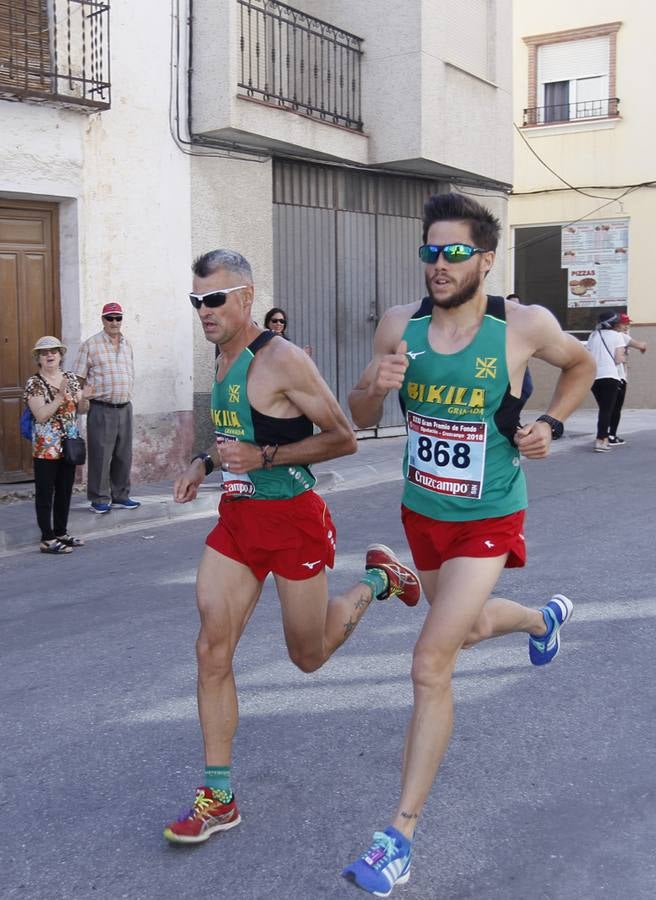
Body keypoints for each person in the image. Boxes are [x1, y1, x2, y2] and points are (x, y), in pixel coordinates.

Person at [341, 192, 595, 896]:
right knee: (468, 625)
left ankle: (399, 836)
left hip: (488, 510)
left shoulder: (522, 325)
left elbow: (582, 368)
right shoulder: (399, 325)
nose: (440, 265)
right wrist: (372, 382)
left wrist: (553, 424)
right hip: (422, 509)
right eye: (430, 252)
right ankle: (541, 619)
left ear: (485, 258)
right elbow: (360, 415)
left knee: (430, 662)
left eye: (455, 253)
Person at [164, 249, 422, 845]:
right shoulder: (224, 357)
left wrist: (265, 459)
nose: (204, 311)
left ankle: (379, 579)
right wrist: (205, 462)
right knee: (211, 648)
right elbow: (238, 433)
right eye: (196, 301)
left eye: (215, 299)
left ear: (246, 297)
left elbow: (344, 437)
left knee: (308, 656)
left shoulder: (284, 359)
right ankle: (218, 796)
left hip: (294, 520)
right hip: (239, 521)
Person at [72, 302, 139, 514]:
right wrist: (81, 400)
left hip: (125, 406)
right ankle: (99, 497)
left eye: (118, 318)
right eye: (110, 318)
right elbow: (77, 378)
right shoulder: (90, 345)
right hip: (101, 407)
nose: (114, 322)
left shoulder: (127, 344)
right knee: (101, 454)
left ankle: (120, 495)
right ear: (102, 320)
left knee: (123, 454)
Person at [25, 336, 88, 554]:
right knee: (45, 493)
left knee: (64, 491)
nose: (50, 355)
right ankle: (47, 538)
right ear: (38, 359)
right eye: (44, 353)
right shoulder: (34, 383)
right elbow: (41, 415)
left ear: (61, 355)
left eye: (54, 351)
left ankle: (61, 532)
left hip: (68, 444)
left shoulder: (69, 378)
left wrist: (86, 398)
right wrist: (60, 396)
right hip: (46, 448)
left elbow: (81, 409)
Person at [585, 312, 630, 452]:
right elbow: (618, 359)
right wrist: (624, 357)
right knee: (607, 410)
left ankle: (604, 438)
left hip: (594, 377)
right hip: (610, 376)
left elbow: (588, 354)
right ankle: (601, 440)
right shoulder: (617, 337)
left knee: (604, 409)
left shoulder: (593, 336)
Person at [607, 312, 648, 446]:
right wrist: (643, 347)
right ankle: (611, 435)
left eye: (628, 323)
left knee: (606, 408)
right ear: (617, 324)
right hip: (618, 377)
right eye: (625, 323)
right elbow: (641, 345)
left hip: (603, 375)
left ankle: (603, 434)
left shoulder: (602, 335)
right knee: (615, 408)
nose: (627, 326)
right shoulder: (621, 337)